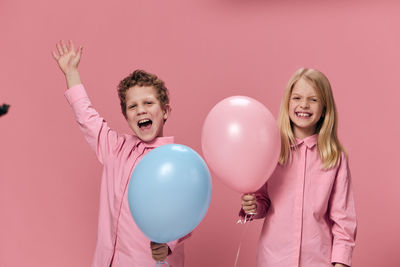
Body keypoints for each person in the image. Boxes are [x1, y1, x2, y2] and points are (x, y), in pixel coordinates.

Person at [52, 40, 188, 267]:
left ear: (165, 111)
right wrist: (71, 73)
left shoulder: (175, 162)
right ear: (126, 116)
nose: (141, 109)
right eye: (132, 106)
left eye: (148, 102)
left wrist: (169, 244)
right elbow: (87, 117)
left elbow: (186, 210)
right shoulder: (114, 148)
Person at [240, 68, 357, 267]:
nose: (304, 105)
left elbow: (343, 218)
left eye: (313, 99)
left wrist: (341, 263)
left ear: (325, 109)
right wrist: (252, 207)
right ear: (288, 103)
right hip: (274, 259)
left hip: (318, 260)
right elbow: (262, 200)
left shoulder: (335, 157)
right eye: (297, 98)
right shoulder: (272, 149)